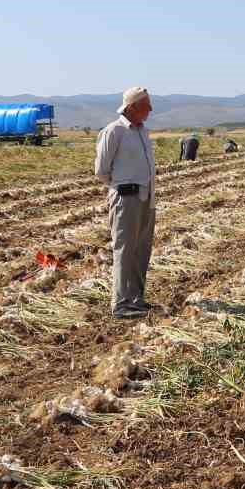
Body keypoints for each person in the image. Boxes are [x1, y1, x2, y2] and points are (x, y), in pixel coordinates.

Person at [94, 87, 157, 319]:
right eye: (146, 105)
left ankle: (137, 299)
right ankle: (120, 304)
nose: (150, 109)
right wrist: (122, 186)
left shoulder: (142, 132)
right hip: (125, 198)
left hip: (146, 197)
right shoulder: (114, 131)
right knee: (124, 250)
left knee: (142, 250)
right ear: (132, 107)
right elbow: (101, 171)